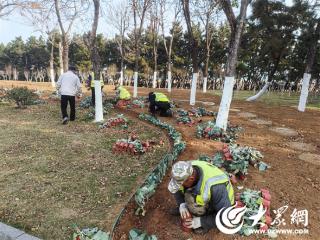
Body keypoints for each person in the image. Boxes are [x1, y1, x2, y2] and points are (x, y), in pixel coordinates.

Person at [168, 160, 234, 234]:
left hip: (220, 204)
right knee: (186, 194)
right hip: (205, 193)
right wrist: (182, 204)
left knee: (195, 206)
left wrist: (201, 222)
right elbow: (176, 188)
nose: (179, 186)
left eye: (180, 184)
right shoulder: (184, 170)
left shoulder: (216, 187)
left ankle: (205, 221)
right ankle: (190, 209)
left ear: (191, 179)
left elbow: (224, 216)